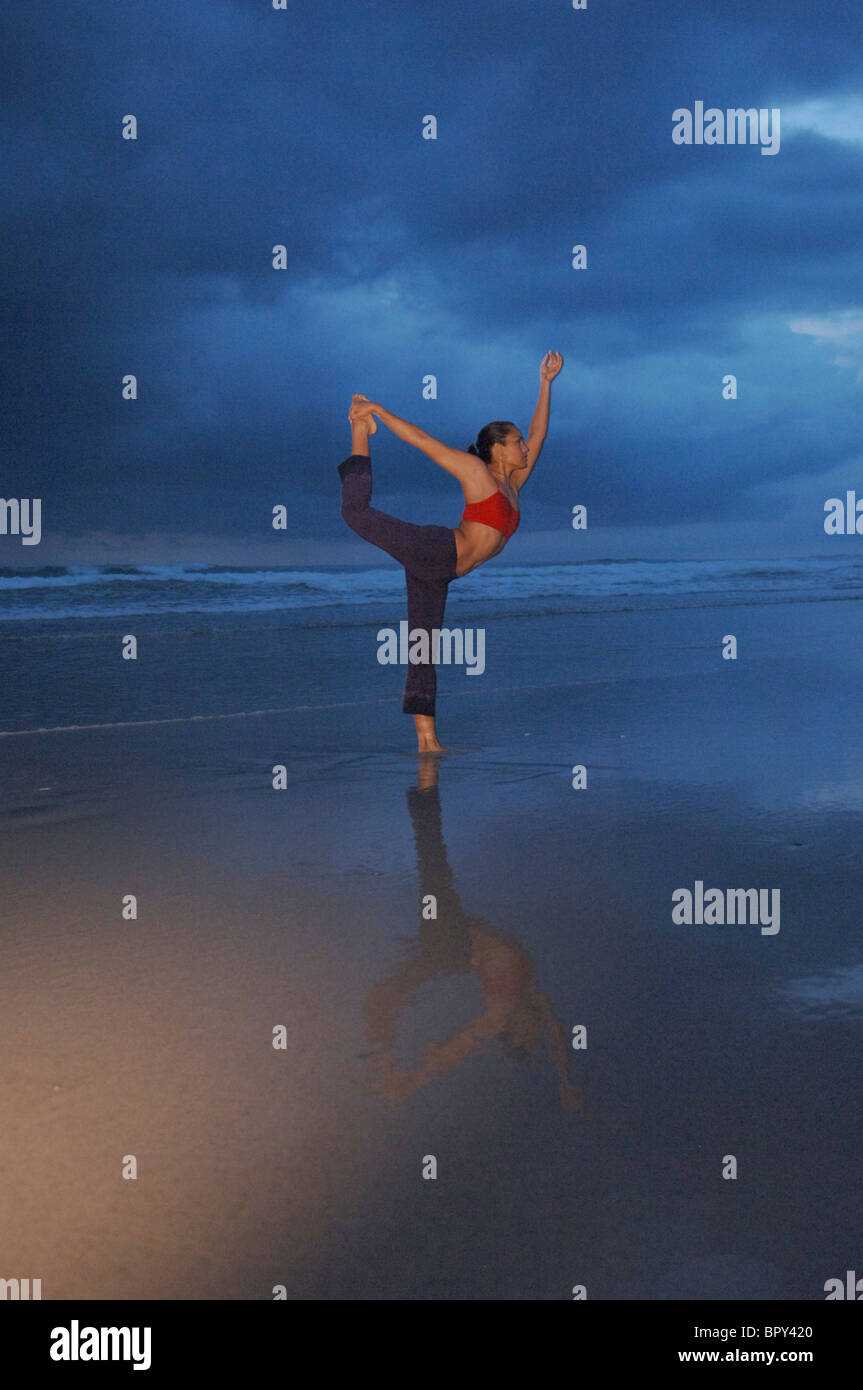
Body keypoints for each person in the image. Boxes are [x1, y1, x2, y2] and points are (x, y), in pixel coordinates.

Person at [339, 351, 564, 751]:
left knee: (423, 649)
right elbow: (425, 442)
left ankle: (428, 741)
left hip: (441, 571)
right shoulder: (477, 473)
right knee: (355, 512)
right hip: (435, 549)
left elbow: (540, 433)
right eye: (517, 444)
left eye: (523, 445)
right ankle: (360, 426)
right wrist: (378, 411)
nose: (525, 449)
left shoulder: (514, 484)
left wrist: (545, 383)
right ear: (497, 448)